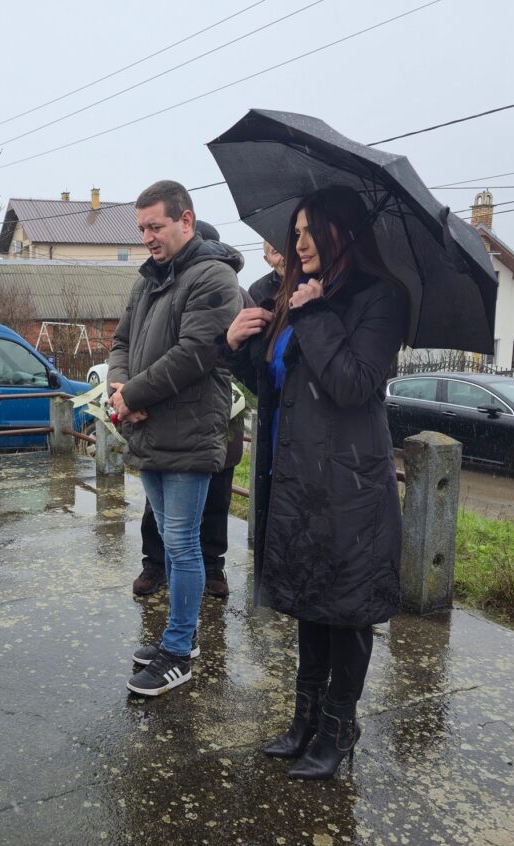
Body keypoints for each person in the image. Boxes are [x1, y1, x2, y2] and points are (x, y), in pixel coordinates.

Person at [222, 185, 408, 778]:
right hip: (294, 478)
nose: (296, 241)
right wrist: (239, 347)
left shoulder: (380, 299)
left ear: (341, 232)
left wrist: (315, 313)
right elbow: (277, 386)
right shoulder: (297, 296)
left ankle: (336, 728)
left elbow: (354, 384)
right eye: (295, 230)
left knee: (346, 609)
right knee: (309, 601)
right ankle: (303, 719)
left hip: (350, 486)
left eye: (308, 230)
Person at [108, 180, 242, 697]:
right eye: (142, 228)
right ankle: (176, 636)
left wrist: (134, 392)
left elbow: (194, 354)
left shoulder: (213, 276)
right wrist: (122, 388)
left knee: (184, 546)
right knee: (167, 540)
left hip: (187, 431)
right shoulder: (147, 280)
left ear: (186, 220)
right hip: (149, 428)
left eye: (156, 226)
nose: (148, 237)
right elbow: (121, 341)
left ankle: (179, 652)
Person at [133, 220, 251, 600]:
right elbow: (138, 343)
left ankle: (211, 568)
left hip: (219, 417)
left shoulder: (233, 292)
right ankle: (154, 564)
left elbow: (215, 355)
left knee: (215, 500)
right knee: (162, 510)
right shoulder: (161, 287)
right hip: (167, 416)